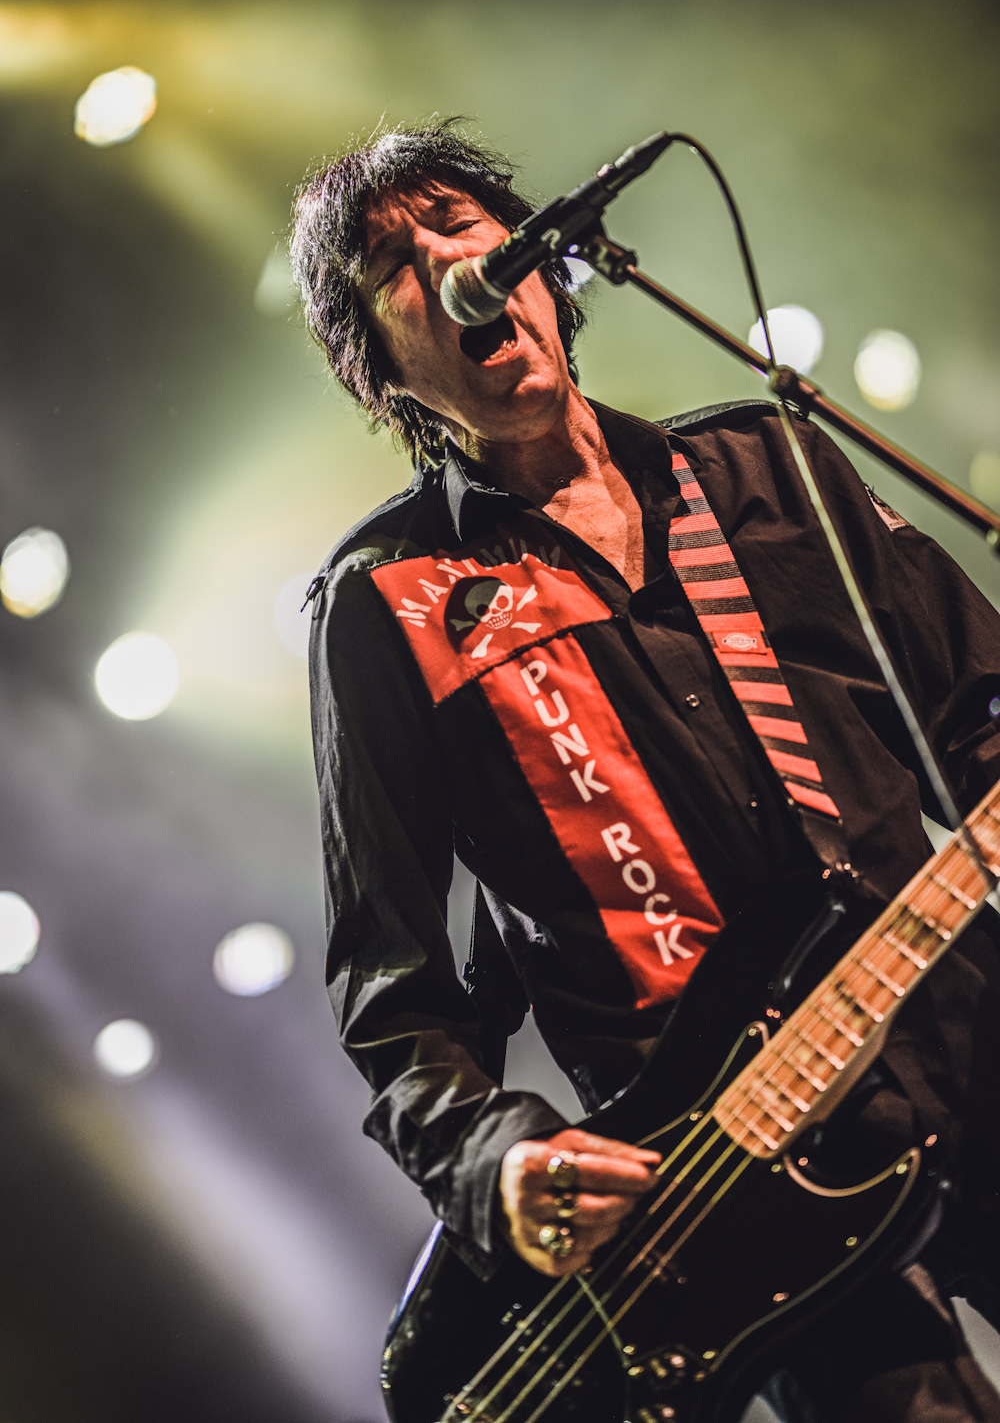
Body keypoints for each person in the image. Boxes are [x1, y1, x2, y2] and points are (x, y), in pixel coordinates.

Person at [291, 120, 1000, 1420]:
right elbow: (390, 988)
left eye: (460, 224)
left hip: (971, 1022)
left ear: (545, 269)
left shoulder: (766, 468)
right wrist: (497, 1164)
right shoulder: (386, 603)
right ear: (379, 373)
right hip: (739, 1166)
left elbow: (979, 717)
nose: (445, 260)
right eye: (391, 261)